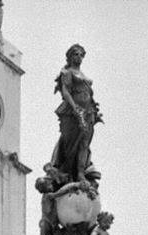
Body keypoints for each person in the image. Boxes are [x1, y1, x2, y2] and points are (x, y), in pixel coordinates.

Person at [51, 44, 103, 182]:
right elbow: (66, 92)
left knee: (84, 143)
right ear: (70, 56)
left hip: (89, 111)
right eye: (75, 54)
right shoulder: (67, 72)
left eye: (81, 54)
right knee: (72, 143)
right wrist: (75, 109)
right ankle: (67, 172)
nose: (79, 57)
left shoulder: (83, 76)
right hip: (73, 113)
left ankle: (80, 173)